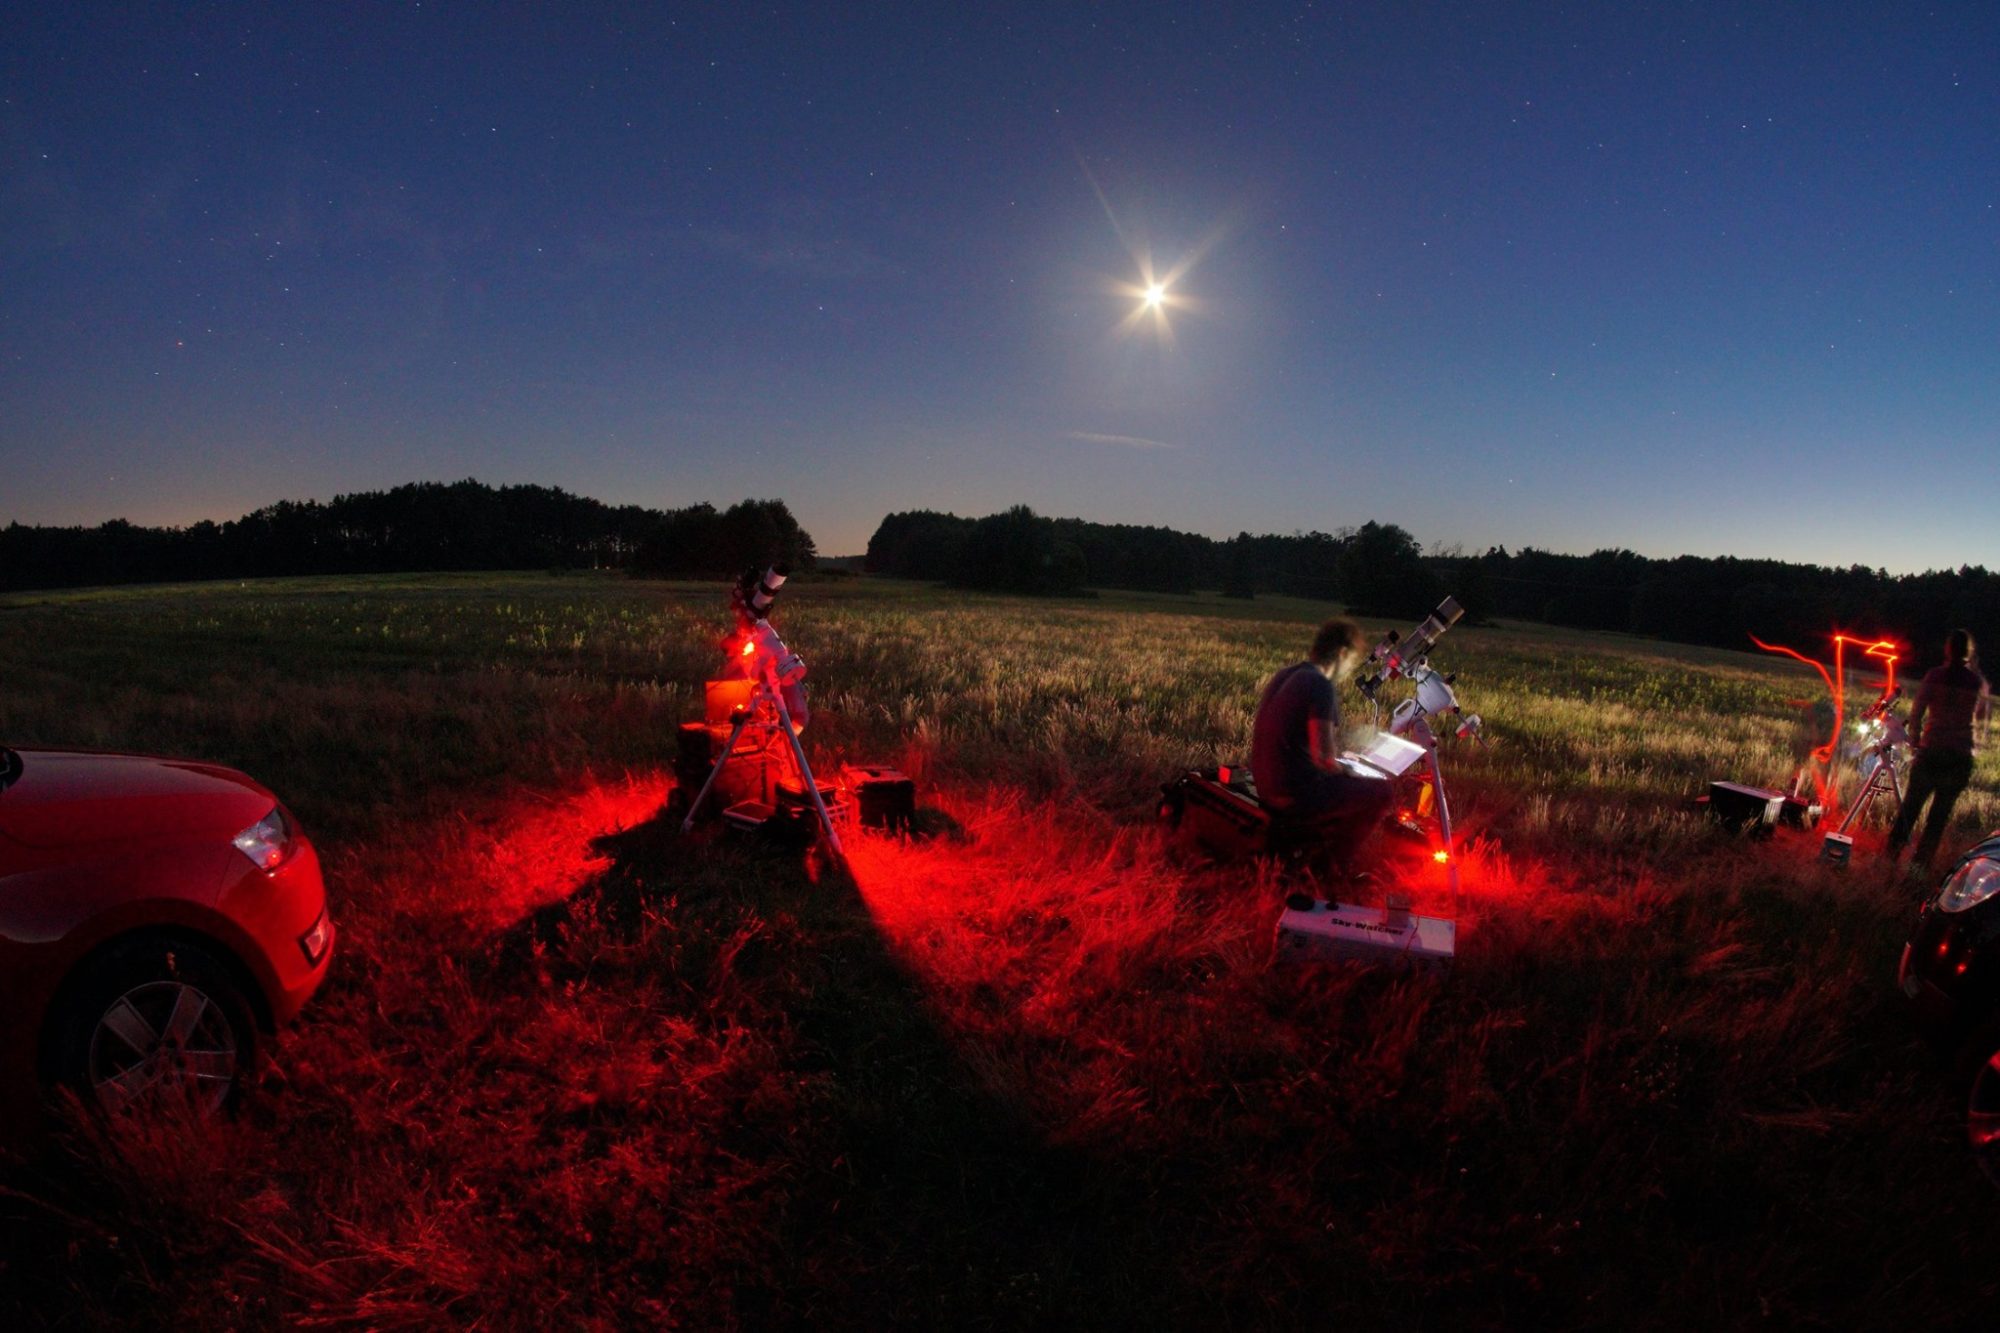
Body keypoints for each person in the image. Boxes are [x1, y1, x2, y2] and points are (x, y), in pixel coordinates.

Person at [1249, 617, 1394, 870]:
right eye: (1350, 662)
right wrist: (1348, 771)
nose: (1348, 669)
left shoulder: (1286, 674)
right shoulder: (1320, 685)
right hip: (1294, 795)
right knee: (1381, 793)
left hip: (1266, 785)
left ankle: (1315, 849)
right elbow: (1324, 759)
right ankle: (1333, 867)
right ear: (1341, 653)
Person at [1887, 628, 1992, 873]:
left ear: (1947, 649)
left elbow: (1917, 712)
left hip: (1932, 751)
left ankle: (1890, 857)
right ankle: (1919, 869)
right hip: (1959, 756)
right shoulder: (1976, 682)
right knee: (1938, 818)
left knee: (1911, 807)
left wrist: (1914, 741)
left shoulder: (1935, 676)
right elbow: (1981, 716)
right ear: (1969, 652)